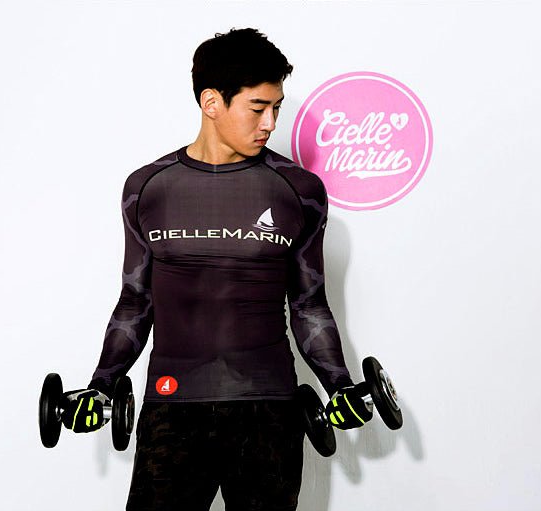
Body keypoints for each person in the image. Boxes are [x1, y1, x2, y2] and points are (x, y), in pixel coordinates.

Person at [61, 28, 371, 511]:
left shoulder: (299, 190)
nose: (270, 123)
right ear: (211, 102)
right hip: (172, 408)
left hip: (269, 413)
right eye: (257, 107)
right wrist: (100, 387)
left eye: (277, 108)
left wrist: (341, 386)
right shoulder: (147, 187)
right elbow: (136, 301)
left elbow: (308, 304)